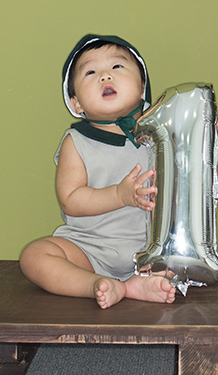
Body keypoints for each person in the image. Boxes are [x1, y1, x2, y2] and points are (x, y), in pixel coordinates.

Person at [20, 34, 176, 308]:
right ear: (76, 103)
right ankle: (94, 283)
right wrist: (119, 195)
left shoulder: (161, 133)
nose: (105, 75)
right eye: (90, 72)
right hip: (88, 249)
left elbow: (188, 174)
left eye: (117, 66)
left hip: (150, 248)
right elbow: (71, 200)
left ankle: (135, 284)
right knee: (34, 256)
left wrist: (205, 139)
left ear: (142, 88)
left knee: (180, 260)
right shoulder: (76, 141)